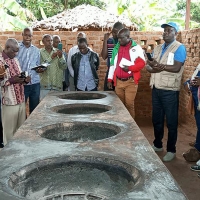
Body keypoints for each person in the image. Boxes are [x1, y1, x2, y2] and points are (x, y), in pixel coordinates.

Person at [146, 22, 187, 162]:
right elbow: (149, 65)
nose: (165, 32)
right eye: (164, 30)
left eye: (169, 30)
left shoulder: (179, 48)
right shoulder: (157, 48)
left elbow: (176, 68)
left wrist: (159, 67)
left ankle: (171, 149)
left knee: (171, 122)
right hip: (156, 88)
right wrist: (153, 68)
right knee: (156, 119)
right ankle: (158, 144)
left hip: (170, 91)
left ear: (176, 33)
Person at [107, 28, 145, 119]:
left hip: (130, 82)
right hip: (118, 82)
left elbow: (142, 63)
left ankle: (131, 128)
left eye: (121, 38)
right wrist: (109, 79)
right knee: (120, 105)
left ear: (128, 37)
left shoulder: (135, 48)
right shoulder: (116, 48)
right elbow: (112, 65)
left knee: (129, 105)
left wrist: (129, 68)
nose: (119, 40)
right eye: (118, 38)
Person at [0, 38, 31, 145]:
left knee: (20, 131)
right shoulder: (0, 61)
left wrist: (25, 80)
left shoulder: (15, 59)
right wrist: (13, 80)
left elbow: (19, 75)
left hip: (21, 100)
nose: (16, 53)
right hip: (10, 103)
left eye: (17, 51)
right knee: (9, 133)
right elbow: (1, 82)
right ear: (7, 48)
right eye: (14, 51)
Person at [17, 27, 40, 114]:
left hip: (35, 83)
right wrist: (23, 78)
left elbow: (37, 65)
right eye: (25, 35)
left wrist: (40, 69)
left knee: (34, 110)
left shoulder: (36, 50)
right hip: (22, 83)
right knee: (21, 109)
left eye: (29, 35)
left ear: (32, 36)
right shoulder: (17, 48)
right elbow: (15, 66)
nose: (27, 37)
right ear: (22, 35)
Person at [39, 34, 66, 99]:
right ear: (43, 42)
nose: (50, 42)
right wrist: (51, 57)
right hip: (45, 86)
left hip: (57, 86)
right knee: (44, 107)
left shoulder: (58, 51)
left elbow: (64, 67)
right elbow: (40, 67)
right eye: (48, 41)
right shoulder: (39, 52)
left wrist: (60, 57)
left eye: (51, 40)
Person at [182, 66, 200, 162]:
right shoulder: (199, 66)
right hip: (197, 102)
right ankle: (197, 147)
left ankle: (197, 150)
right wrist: (187, 84)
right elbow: (192, 79)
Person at [101, 22, 124, 91]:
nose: (113, 34)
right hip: (110, 70)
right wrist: (105, 40)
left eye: (115, 32)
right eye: (113, 32)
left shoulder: (125, 41)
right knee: (108, 93)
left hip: (122, 71)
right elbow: (104, 56)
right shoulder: (110, 41)